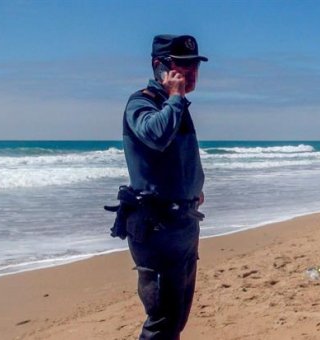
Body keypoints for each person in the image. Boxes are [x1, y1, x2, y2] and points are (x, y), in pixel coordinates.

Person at [116, 34, 207, 339]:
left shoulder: (175, 105)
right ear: (159, 66)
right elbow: (155, 136)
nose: (190, 73)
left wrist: (192, 189)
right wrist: (176, 98)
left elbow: (176, 158)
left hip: (184, 222)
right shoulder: (141, 102)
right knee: (161, 321)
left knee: (177, 317)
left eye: (193, 66)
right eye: (181, 67)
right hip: (156, 228)